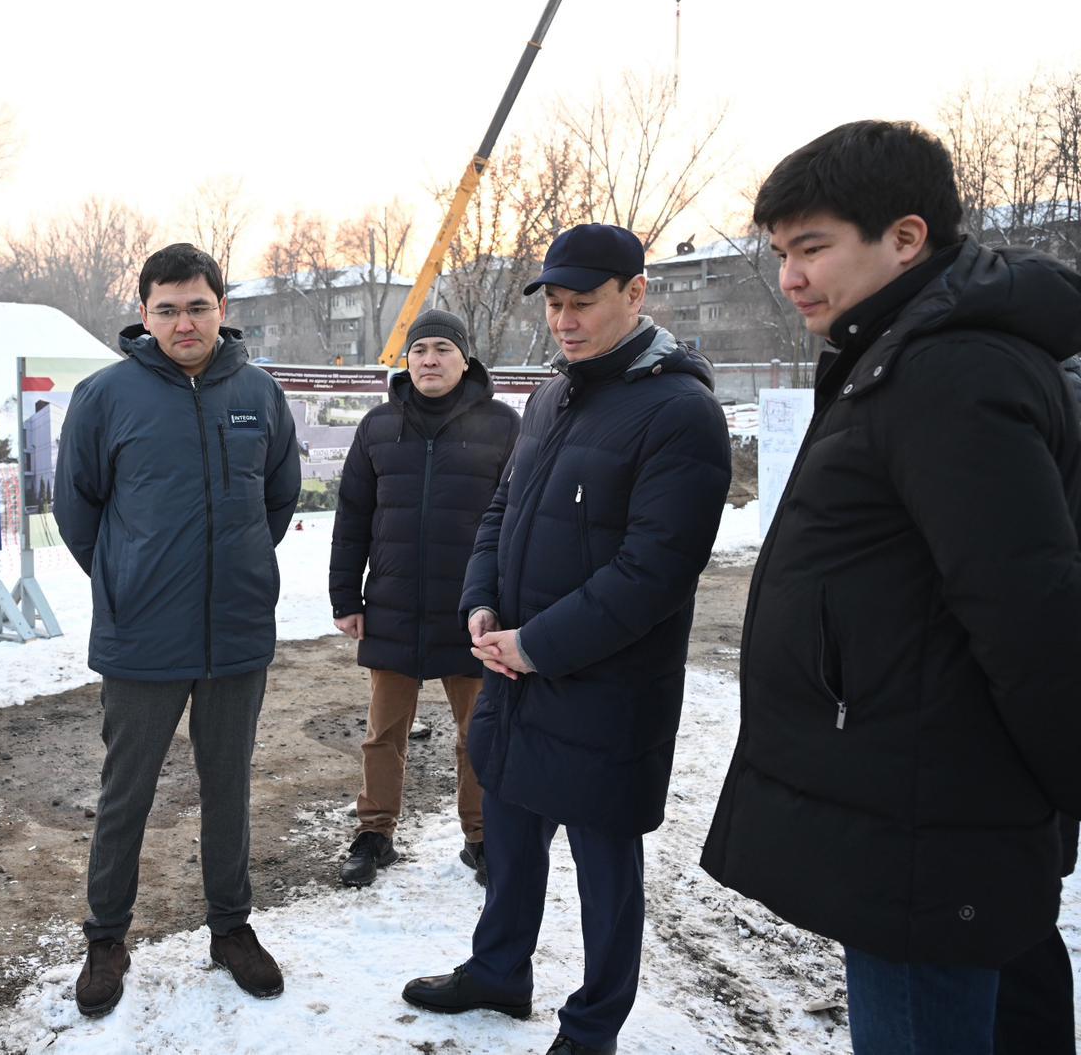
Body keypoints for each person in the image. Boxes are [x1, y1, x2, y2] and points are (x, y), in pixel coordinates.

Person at [699, 121, 1081, 1054]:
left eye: (812, 248)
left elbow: (1029, 610)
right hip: (933, 810)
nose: (790, 277)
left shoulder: (948, 370)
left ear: (906, 238)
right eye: (781, 253)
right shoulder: (901, 352)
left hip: (930, 830)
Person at [403, 224, 732, 1055]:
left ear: (636, 293)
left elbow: (654, 572)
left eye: (581, 302)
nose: (564, 320)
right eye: (553, 303)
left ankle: (592, 1026)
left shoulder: (680, 413)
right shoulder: (550, 398)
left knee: (605, 870)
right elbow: (502, 511)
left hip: (607, 690)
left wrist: (537, 645)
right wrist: (481, 603)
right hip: (518, 674)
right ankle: (498, 971)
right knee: (511, 838)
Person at [54, 242, 300, 1017]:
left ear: (222, 309)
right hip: (142, 637)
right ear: (144, 314)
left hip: (237, 631)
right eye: (167, 310)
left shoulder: (260, 394)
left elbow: (278, 499)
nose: (183, 323)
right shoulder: (105, 396)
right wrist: (128, 577)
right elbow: (76, 508)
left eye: (197, 307)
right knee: (126, 794)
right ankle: (106, 938)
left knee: (229, 788)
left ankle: (230, 928)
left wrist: (238, 570)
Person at [329, 309, 519, 887]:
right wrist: (346, 596)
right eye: (419, 350)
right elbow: (352, 515)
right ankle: (375, 833)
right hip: (393, 604)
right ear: (406, 359)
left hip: (474, 610)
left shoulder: (503, 426)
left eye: (442, 348)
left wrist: (509, 600)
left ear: (465, 358)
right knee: (383, 733)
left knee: (477, 732)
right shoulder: (378, 426)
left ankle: (482, 838)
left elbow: (519, 519)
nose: (430, 359)